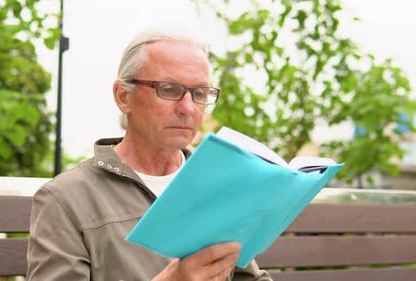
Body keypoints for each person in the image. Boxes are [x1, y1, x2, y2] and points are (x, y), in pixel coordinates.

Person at [26, 28, 273, 281]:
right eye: (168, 89)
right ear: (123, 97)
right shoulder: (65, 199)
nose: (187, 108)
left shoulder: (216, 185)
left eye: (199, 93)